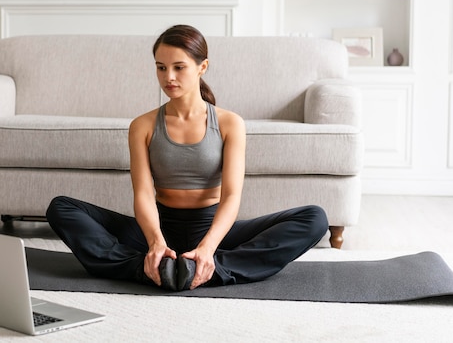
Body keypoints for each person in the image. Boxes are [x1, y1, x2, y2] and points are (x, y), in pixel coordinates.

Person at [46, 24, 328, 291]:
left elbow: (231, 197)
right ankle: (149, 267)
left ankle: (208, 268)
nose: (169, 77)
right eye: (161, 67)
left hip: (211, 229)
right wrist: (156, 242)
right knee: (62, 208)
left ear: (202, 67)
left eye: (179, 67)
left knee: (314, 218)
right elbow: (143, 194)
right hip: (160, 227)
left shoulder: (230, 123)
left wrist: (207, 248)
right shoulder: (142, 126)